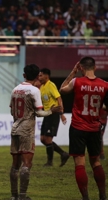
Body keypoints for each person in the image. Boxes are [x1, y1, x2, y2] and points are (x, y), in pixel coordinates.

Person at [9, 64, 62, 200]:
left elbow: (11, 110)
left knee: (15, 164)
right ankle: (22, 196)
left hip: (15, 128)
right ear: (37, 75)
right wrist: (52, 111)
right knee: (27, 164)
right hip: (26, 130)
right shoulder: (34, 91)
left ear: (24, 75)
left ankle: (14, 196)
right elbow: (39, 112)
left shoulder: (15, 89)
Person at [59, 57, 108, 200]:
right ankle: (103, 196)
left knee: (80, 163)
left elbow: (62, 89)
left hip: (78, 128)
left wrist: (72, 73)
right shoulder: (105, 85)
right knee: (96, 162)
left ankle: (85, 197)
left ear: (81, 68)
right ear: (95, 67)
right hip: (95, 128)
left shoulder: (77, 82)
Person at [38, 68, 70, 167]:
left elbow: (58, 98)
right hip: (47, 114)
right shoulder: (42, 87)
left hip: (53, 114)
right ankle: (63, 154)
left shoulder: (50, 85)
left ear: (46, 76)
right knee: (43, 139)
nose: (39, 77)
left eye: (41, 75)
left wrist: (61, 113)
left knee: (47, 139)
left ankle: (50, 162)